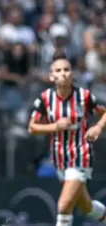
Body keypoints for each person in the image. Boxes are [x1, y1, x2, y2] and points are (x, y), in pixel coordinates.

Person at [28, 50, 106, 226]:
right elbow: (32, 127)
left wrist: (98, 126)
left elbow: (104, 113)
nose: (63, 73)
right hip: (59, 160)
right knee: (86, 207)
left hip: (81, 157)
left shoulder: (84, 96)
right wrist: (54, 126)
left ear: (72, 72)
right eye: (58, 70)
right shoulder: (45, 99)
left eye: (66, 69)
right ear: (51, 76)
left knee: (63, 206)